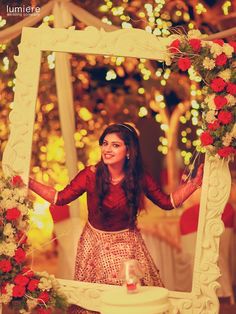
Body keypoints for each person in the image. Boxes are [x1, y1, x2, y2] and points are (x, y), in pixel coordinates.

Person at [29, 123, 203, 314]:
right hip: (94, 242)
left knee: (132, 297)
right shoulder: (90, 175)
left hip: (128, 242)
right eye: (105, 143)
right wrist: (28, 182)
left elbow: (167, 202)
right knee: (100, 299)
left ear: (129, 151)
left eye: (115, 145)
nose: (107, 149)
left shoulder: (138, 177)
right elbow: (59, 198)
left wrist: (194, 184)